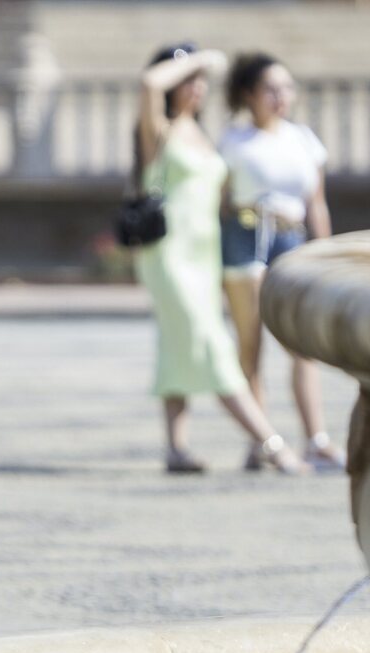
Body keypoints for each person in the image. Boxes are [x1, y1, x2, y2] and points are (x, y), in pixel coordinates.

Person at [133, 44, 305, 474]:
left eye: (200, 81)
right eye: (187, 80)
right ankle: (272, 444)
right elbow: (148, 83)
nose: (196, 86)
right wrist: (198, 58)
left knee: (176, 345)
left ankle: (176, 447)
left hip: (206, 253)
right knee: (212, 345)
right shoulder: (159, 129)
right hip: (169, 254)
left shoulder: (206, 134)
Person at [219, 52, 345, 472]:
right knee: (250, 344)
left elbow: (317, 204)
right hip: (247, 234)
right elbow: (219, 201)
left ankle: (316, 438)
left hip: (291, 237)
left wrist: (325, 255)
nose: (280, 97)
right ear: (249, 94)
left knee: (300, 343)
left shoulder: (303, 139)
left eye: (286, 88)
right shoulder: (233, 142)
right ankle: (263, 441)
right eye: (271, 89)